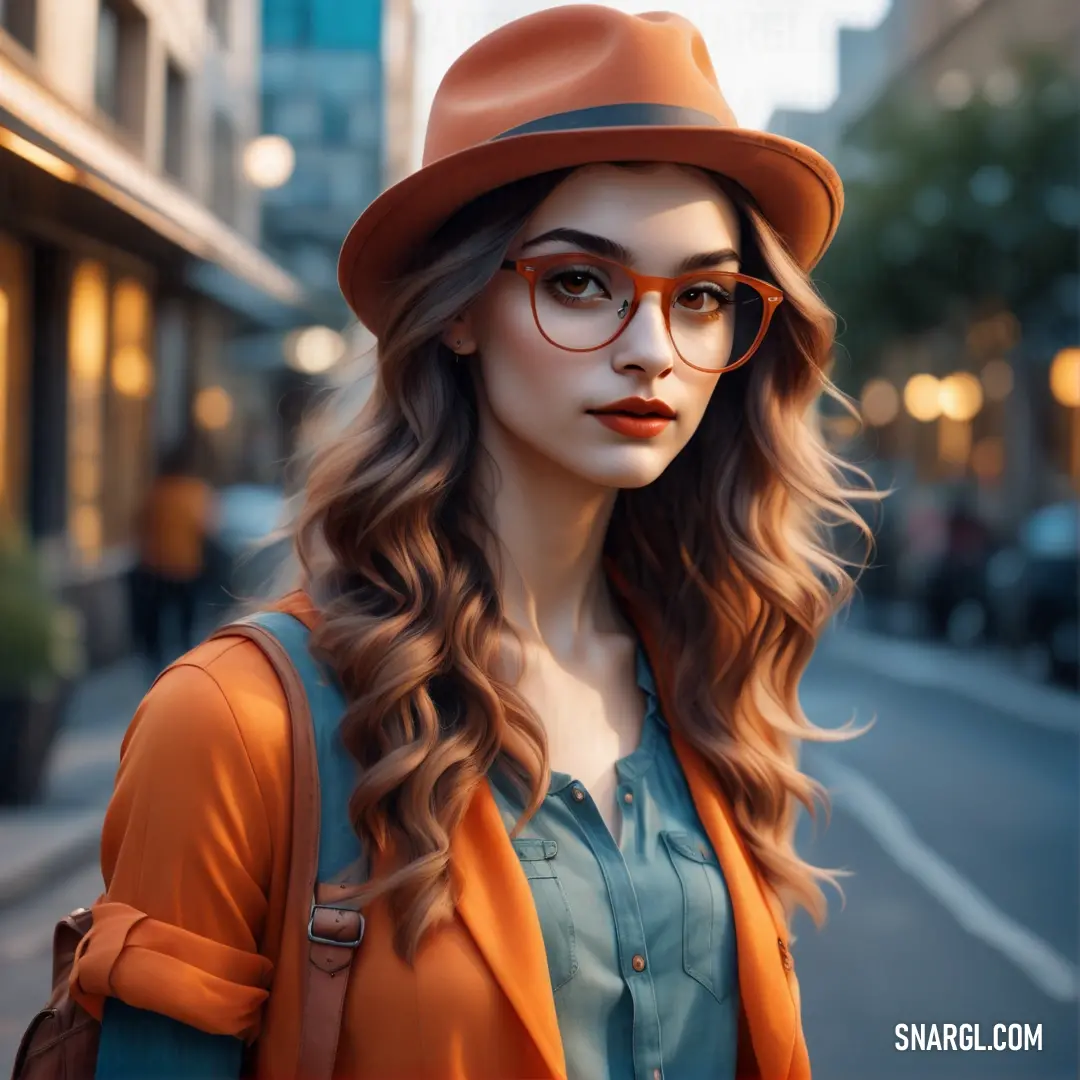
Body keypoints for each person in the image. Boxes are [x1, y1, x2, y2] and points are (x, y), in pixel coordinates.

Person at [70, 8, 878, 1079]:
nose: (652, 350)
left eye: (702, 296)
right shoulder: (236, 725)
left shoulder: (708, 686)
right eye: (580, 282)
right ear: (457, 309)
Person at [131, 441, 216, 670]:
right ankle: (186, 662)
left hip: (156, 567)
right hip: (187, 567)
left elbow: (140, 525)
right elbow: (207, 528)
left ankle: (155, 661)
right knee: (185, 621)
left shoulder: (155, 493)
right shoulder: (196, 493)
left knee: (157, 621)